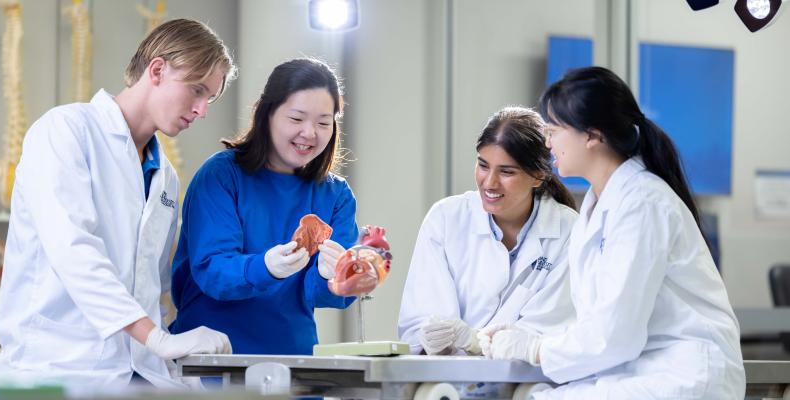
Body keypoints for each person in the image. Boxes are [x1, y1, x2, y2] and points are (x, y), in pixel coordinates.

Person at [0, 19, 237, 390]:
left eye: (209, 99)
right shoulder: (65, 131)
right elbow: (74, 250)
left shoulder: (165, 177)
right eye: (197, 91)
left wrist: (173, 351)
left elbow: (151, 284)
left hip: (135, 375)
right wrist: (156, 339)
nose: (202, 110)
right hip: (56, 370)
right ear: (157, 69)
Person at [481, 67, 745, 399]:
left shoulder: (643, 203)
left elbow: (615, 334)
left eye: (554, 131)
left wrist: (536, 348)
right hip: (637, 370)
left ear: (592, 136)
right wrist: (529, 337)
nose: (547, 143)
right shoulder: (597, 207)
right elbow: (601, 324)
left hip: (682, 374)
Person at [170, 58, 357, 355]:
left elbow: (328, 295)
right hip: (213, 358)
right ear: (267, 114)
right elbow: (212, 270)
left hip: (294, 360)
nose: (310, 133)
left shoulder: (335, 194)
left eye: (323, 123)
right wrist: (264, 267)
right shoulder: (222, 176)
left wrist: (335, 275)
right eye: (296, 119)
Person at [397, 106, 578, 356]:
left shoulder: (569, 231)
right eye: (483, 166)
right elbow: (420, 322)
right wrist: (430, 336)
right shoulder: (446, 219)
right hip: (447, 381)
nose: (490, 182)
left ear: (538, 176)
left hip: (525, 387)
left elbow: (544, 335)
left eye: (506, 172)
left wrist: (474, 341)